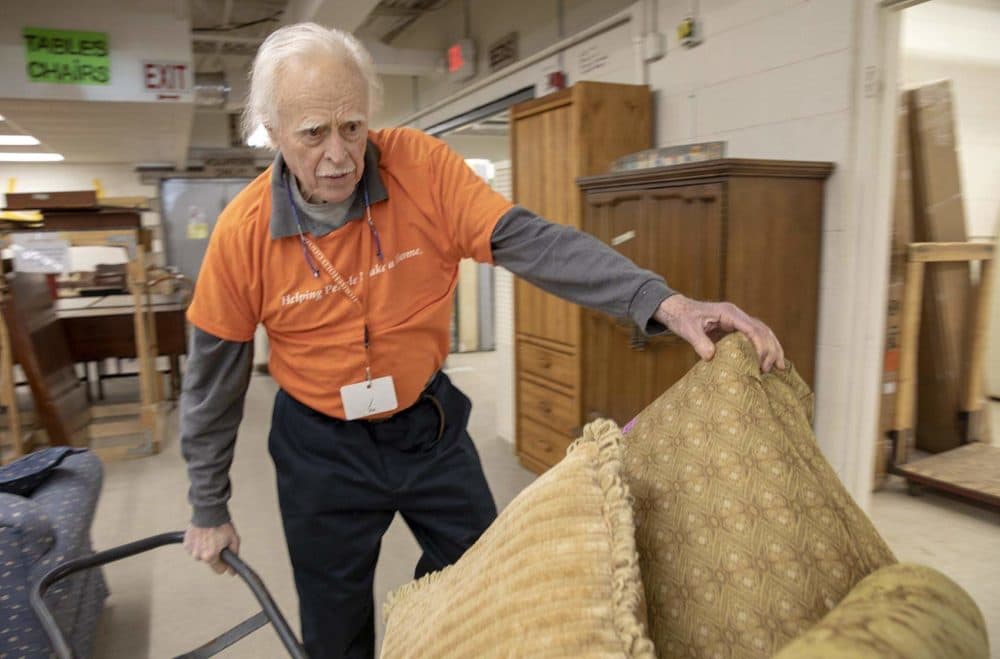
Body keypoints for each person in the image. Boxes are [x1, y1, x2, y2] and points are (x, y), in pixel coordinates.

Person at [181, 22, 785, 659]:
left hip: (427, 427)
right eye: (313, 134)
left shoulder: (420, 166)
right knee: (333, 630)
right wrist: (207, 504)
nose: (339, 155)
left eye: (353, 127)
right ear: (272, 133)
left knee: (483, 583)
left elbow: (534, 242)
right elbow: (211, 383)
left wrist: (661, 301)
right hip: (321, 451)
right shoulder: (242, 233)